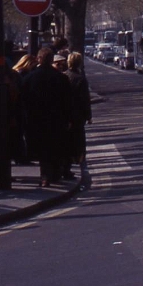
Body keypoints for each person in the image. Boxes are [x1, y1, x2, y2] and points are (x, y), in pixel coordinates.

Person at [21, 47, 72, 187]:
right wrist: (68, 119)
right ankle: (55, 173)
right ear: (51, 60)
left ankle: (45, 176)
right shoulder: (61, 78)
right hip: (57, 119)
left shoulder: (29, 78)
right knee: (55, 146)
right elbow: (67, 101)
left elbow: (23, 100)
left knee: (42, 149)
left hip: (36, 119)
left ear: (38, 59)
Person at [64, 52, 91, 176]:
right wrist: (88, 116)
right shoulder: (80, 79)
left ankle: (66, 166)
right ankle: (77, 160)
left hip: (65, 113)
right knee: (77, 140)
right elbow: (85, 99)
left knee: (67, 140)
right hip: (77, 114)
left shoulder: (63, 76)